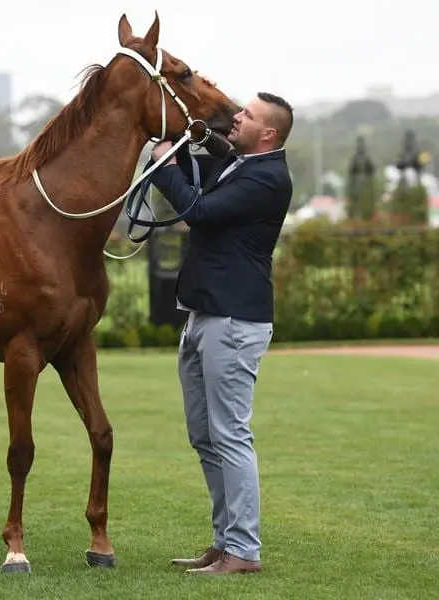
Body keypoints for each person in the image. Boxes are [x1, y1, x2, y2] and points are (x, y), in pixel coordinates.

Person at [148, 91, 294, 575]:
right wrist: (190, 142)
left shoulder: (269, 177)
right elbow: (211, 166)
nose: (237, 117)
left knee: (229, 435)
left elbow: (200, 212)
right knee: (205, 436)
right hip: (206, 315)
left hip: (233, 321)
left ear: (268, 133)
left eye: (248, 115)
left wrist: (161, 161)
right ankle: (224, 542)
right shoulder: (242, 164)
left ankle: (244, 552)